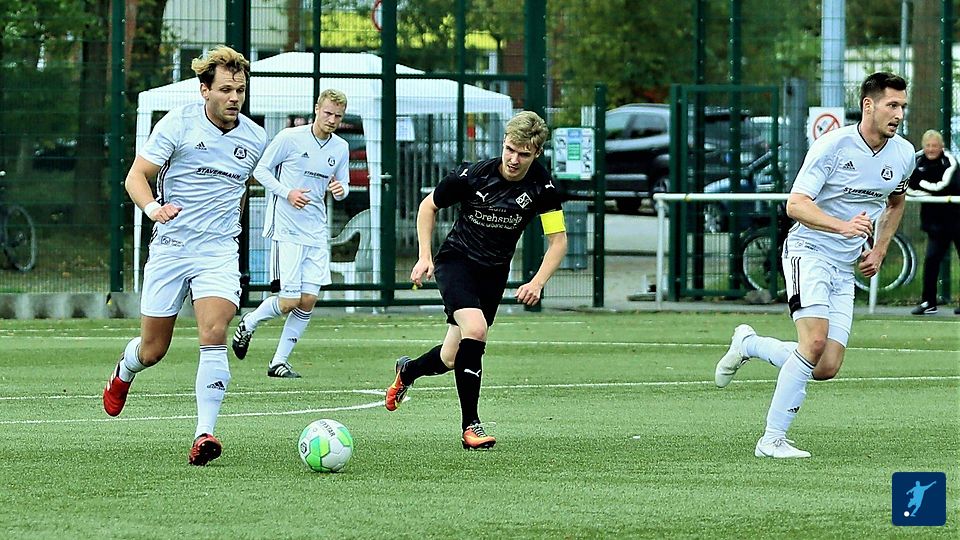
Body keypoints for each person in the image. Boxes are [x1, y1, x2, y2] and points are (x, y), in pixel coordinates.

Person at [713, 72, 915, 458]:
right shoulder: (832, 146)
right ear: (868, 105)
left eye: (903, 107)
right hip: (808, 251)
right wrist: (843, 226)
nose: (899, 114)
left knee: (825, 366)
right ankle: (771, 440)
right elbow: (796, 204)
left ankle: (749, 344)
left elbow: (896, 201)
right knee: (814, 342)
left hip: (844, 266)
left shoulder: (903, 154)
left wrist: (879, 249)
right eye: (892, 105)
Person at [102, 46, 267, 466]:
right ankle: (125, 369)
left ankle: (204, 434)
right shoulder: (177, 123)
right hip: (172, 247)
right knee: (153, 350)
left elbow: (238, 191)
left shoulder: (254, 137)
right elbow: (136, 176)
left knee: (214, 330)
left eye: (240, 90)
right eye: (226, 89)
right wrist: (153, 209)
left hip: (218, 251)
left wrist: (229, 227)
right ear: (204, 90)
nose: (234, 97)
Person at [383, 111, 568, 449]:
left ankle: (407, 371)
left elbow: (558, 241)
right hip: (457, 262)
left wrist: (537, 282)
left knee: (451, 357)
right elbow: (427, 207)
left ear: (537, 153)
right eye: (510, 149)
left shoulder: (543, 187)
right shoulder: (474, 175)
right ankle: (471, 426)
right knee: (477, 329)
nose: (514, 159)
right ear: (503, 143)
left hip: (493, 274)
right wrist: (424, 256)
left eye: (524, 153)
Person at [231, 89, 351, 377]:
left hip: (316, 230)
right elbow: (261, 171)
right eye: (328, 113)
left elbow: (343, 185)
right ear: (317, 109)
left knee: (308, 300)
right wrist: (288, 193)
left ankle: (278, 362)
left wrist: (340, 190)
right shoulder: (290, 138)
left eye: (338, 116)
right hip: (287, 229)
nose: (332, 120)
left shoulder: (341, 147)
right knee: (288, 302)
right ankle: (249, 322)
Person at [907, 129, 959, 315]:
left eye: (935, 146)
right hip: (935, 223)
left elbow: (944, 186)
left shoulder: (950, 161)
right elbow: (906, 185)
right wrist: (923, 188)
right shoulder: (915, 160)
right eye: (928, 145)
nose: (931, 149)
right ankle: (928, 302)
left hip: (957, 219)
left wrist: (920, 183)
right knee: (931, 260)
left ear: (942, 146)